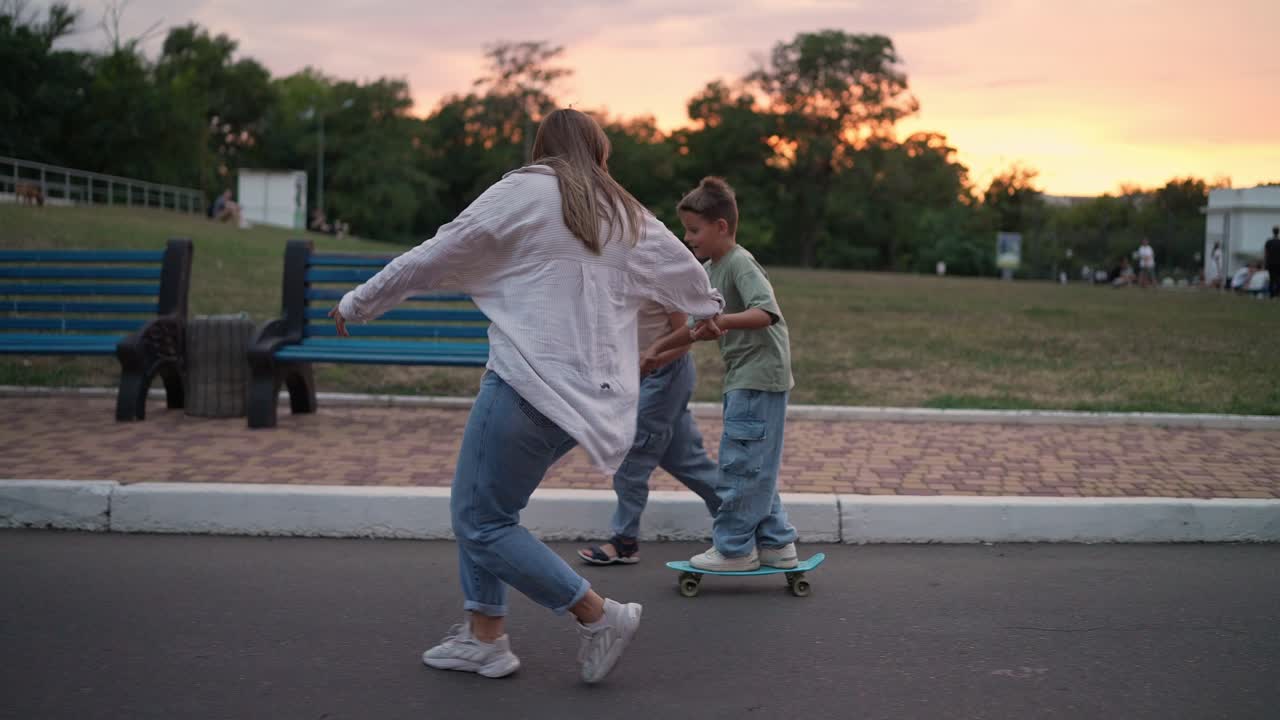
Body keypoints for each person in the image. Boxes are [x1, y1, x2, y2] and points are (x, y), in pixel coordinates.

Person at [328, 109, 725, 683]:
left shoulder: (523, 191)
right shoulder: (623, 210)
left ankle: (597, 614)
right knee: (490, 507)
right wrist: (709, 307)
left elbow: (437, 252)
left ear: (543, 147)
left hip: (524, 387)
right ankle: (485, 635)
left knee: (479, 519)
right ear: (598, 151)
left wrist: (357, 303)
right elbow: (686, 274)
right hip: (583, 401)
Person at [647, 177, 798, 573]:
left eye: (694, 230)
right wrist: (656, 349)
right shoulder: (709, 269)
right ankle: (777, 544)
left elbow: (766, 312)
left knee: (739, 466)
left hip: (757, 376)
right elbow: (698, 324)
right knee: (755, 464)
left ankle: (734, 550)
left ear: (721, 227)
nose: (688, 237)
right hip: (747, 378)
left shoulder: (740, 263)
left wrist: (725, 321)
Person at [576, 302, 722, 566]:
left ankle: (624, 541)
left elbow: (686, 339)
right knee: (685, 459)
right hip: (639, 373)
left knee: (631, 454)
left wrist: (651, 361)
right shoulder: (622, 270)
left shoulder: (662, 274)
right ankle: (744, 520)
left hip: (665, 375)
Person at [1266, 226, 1280, 299]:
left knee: (1271, 279)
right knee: (1278, 279)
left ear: (1273, 232)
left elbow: (1266, 253)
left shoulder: (1269, 242)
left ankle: (1271, 295)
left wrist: (1266, 263)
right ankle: (1277, 293)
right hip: (1279, 263)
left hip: (1270, 263)